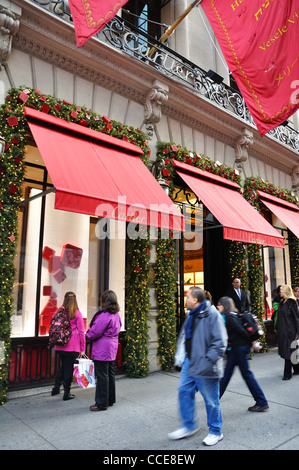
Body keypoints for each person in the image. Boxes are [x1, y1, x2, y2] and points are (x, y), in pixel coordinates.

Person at [169, 286, 227, 447]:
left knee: (211, 399)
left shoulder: (212, 314)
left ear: (195, 300)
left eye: (188, 296)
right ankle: (188, 426)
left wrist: (208, 360)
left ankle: (216, 431)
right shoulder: (192, 315)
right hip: (190, 362)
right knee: (184, 391)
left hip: (205, 364)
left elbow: (220, 342)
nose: (185, 299)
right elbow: (184, 338)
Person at [217, 297, 269, 412]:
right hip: (236, 349)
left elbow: (241, 331)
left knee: (245, 375)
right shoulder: (232, 315)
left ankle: (261, 401)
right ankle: (215, 398)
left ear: (224, 306)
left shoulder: (230, 317)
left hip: (238, 349)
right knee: (228, 374)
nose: (217, 307)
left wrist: (251, 342)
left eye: (219, 305)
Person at [86, 290, 122, 411]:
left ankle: (101, 403)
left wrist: (87, 334)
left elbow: (95, 332)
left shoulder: (104, 316)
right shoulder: (116, 315)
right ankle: (110, 399)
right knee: (110, 374)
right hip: (112, 348)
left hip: (102, 349)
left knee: (102, 376)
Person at [51, 292, 86, 401]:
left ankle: (56, 388)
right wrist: (83, 349)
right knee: (68, 369)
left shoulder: (58, 311)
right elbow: (81, 332)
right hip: (72, 346)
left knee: (64, 366)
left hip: (60, 345)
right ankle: (67, 393)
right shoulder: (77, 313)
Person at [276, 285, 299, 380]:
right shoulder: (282, 302)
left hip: (290, 331)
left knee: (288, 352)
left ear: (286, 292)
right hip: (282, 331)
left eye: (281, 291)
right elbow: (279, 317)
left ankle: (287, 374)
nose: (280, 292)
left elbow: (296, 318)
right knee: (290, 351)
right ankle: (297, 369)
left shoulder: (292, 303)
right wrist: (277, 328)